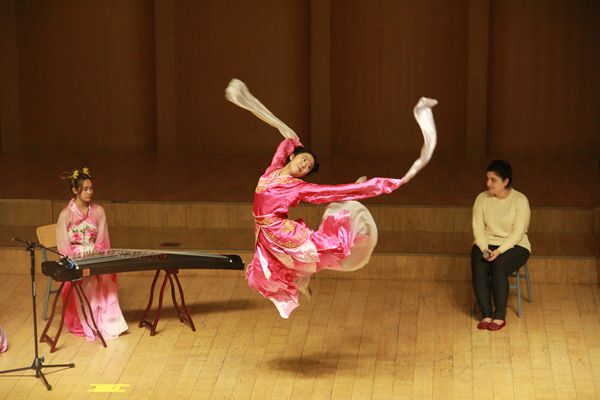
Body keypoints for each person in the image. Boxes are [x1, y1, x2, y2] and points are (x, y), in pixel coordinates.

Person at [225, 79, 438, 318]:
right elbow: (286, 143)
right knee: (267, 273)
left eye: (308, 166)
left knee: (324, 248)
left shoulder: (298, 188)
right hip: (263, 233)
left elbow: (331, 191)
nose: (305, 164)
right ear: (293, 157)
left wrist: (361, 187)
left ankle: (306, 274)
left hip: (281, 232)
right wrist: (293, 140)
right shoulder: (274, 168)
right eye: (304, 159)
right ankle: (301, 279)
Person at [56, 167, 128, 341]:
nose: (90, 192)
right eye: (85, 189)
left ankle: (111, 322)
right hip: (76, 259)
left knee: (105, 278)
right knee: (88, 280)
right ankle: (91, 322)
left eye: (91, 188)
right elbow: (63, 246)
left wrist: (96, 256)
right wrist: (76, 260)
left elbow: (102, 240)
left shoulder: (98, 211)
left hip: (95, 254)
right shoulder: (65, 215)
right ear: (75, 190)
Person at [471, 160, 531, 331]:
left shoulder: (520, 200)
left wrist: (499, 251)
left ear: (505, 181)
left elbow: (518, 232)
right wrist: (484, 248)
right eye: (487, 179)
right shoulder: (482, 198)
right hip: (487, 243)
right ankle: (486, 313)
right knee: (479, 265)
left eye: (493, 180)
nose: (488, 183)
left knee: (498, 266)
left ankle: (499, 316)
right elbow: (477, 228)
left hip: (515, 245)